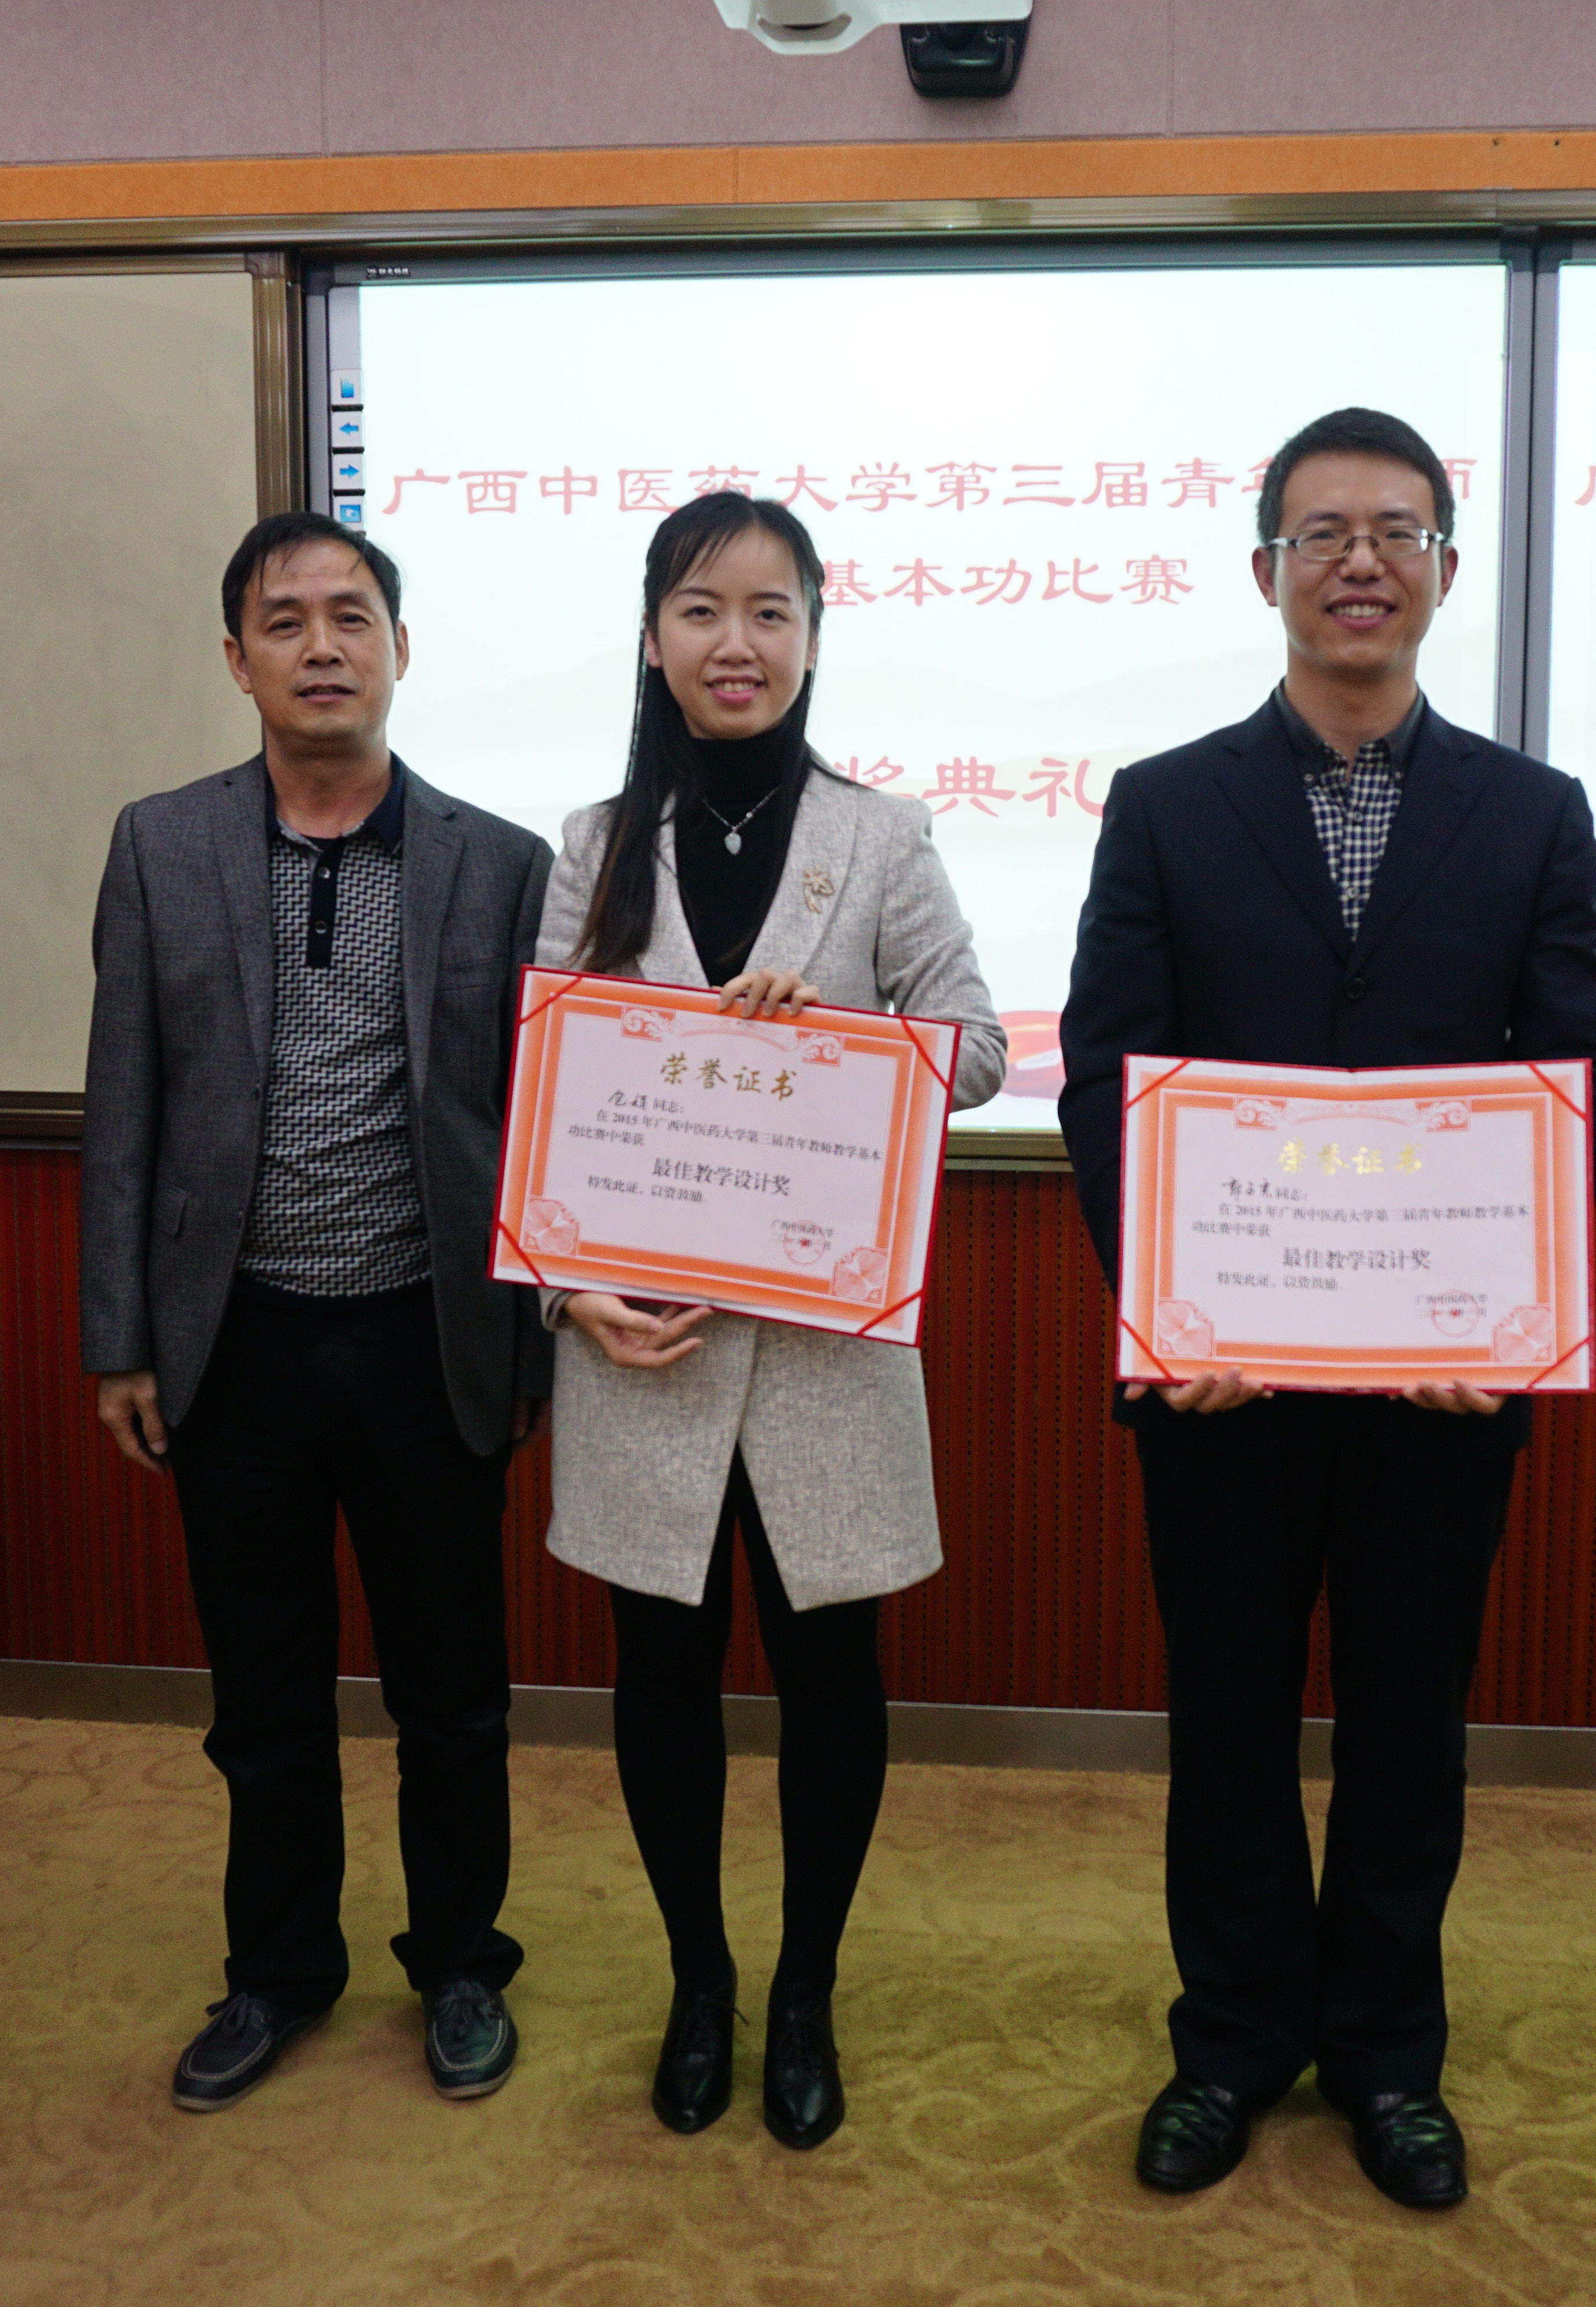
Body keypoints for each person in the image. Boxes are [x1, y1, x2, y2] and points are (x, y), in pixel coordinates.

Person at [1057, 409, 1596, 2211]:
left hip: (1443, 1383)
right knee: (1225, 1719)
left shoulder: (1534, 811)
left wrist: (1508, 1318)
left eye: (1397, 531)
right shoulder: (1166, 801)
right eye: (1324, 533)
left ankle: (1387, 2054)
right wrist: (1168, 1317)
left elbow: (1576, 1074)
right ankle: (1231, 2041)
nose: (1361, 561)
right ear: (1267, 572)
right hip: (1219, 1377)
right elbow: (1104, 1078)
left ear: (1446, 567)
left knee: (1408, 1725)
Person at [538, 491, 1007, 2150]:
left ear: (812, 635)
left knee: (832, 1680)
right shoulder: (595, 843)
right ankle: (701, 1982)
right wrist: (568, 1291)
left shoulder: (881, 839)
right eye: (701, 610)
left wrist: (850, 1044)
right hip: (643, 1343)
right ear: (653, 638)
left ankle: (806, 1988)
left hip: (823, 1347)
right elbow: (538, 1086)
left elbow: (981, 1048)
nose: (735, 644)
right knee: (660, 1679)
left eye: (770, 612)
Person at [80, 512, 555, 2115]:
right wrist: (118, 1338)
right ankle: (279, 1972)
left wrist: (533, 1338)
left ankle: (463, 1962)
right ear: (239, 662)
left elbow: (534, 1123)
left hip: (432, 1341)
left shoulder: (499, 862)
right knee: (264, 1699)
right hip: (237, 1345)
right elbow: (124, 1102)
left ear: (402, 649)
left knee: (453, 1695)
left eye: (353, 616)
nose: (323, 645)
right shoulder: (162, 845)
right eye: (285, 622)